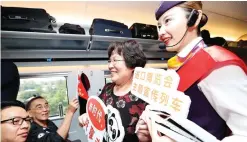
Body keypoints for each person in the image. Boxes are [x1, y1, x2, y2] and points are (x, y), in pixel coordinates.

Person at [136, 1, 247, 142]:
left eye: (168, 21)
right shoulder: (174, 65)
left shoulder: (215, 62)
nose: (161, 32)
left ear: (194, 18)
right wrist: (152, 129)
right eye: (159, 26)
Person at [78, 40, 147, 142]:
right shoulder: (107, 89)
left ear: (132, 64)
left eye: (115, 60)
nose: (110, 66)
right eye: (109, 61)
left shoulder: (144, 95)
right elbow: (95, 119)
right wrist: (86, 117)